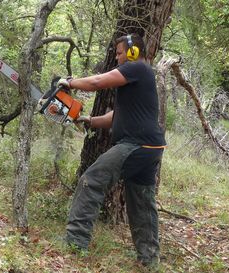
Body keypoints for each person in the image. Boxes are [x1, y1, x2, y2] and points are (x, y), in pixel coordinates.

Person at [57, 33, 166, 267]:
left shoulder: (137, 67)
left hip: (136, 144)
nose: (117, 58)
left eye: (119, 53)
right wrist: (90, 120)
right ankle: (149, 260)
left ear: (133, 52)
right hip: (152, 147)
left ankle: (75, 242)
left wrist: (70, 82)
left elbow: (97, 82)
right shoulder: (139, 77)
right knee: (141, 202)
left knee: (92, 180)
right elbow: (118, 116)